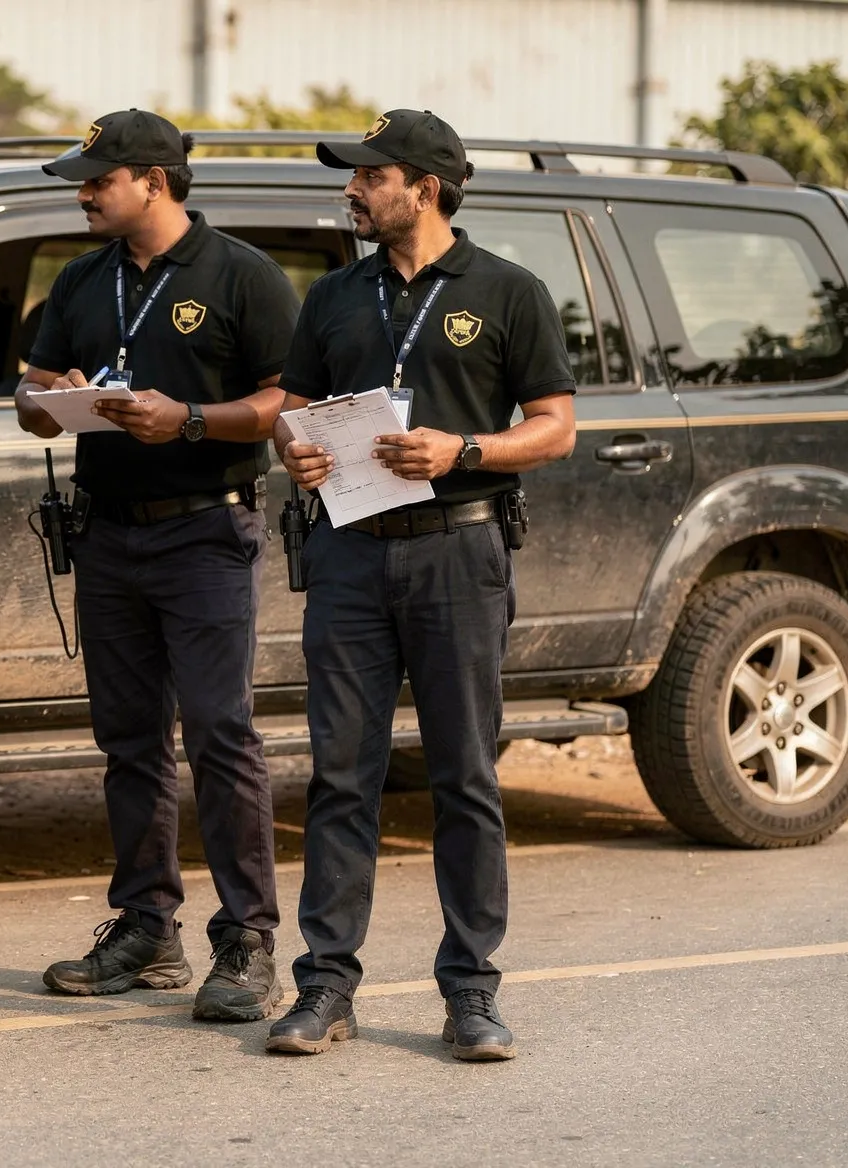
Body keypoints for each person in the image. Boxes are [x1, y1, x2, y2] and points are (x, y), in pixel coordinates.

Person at [265, 110, 575, 1060]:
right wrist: (297, 451)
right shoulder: (334, 296)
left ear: (424, 187)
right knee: (340, 775)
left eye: (369, 175)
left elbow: (557, 426)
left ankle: (472, 992)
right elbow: (291, 408)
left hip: (460, 552)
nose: (352, 190)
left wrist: (465, 449)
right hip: (350, 553)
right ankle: (324, 986)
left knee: (465, 775)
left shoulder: (510, 291)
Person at [16, 109, 298, 1022]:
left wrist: (186, 420)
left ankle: (249, 938)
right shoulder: (82, 278)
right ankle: (146, 927)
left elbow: (283, 401)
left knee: (221, 735)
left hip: (204, 532)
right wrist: (49, 400)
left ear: (154, 178)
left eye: (97, 178)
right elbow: (31, 395)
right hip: (108, 534)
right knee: (130, 738)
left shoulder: (243, 274)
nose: (84, 192)